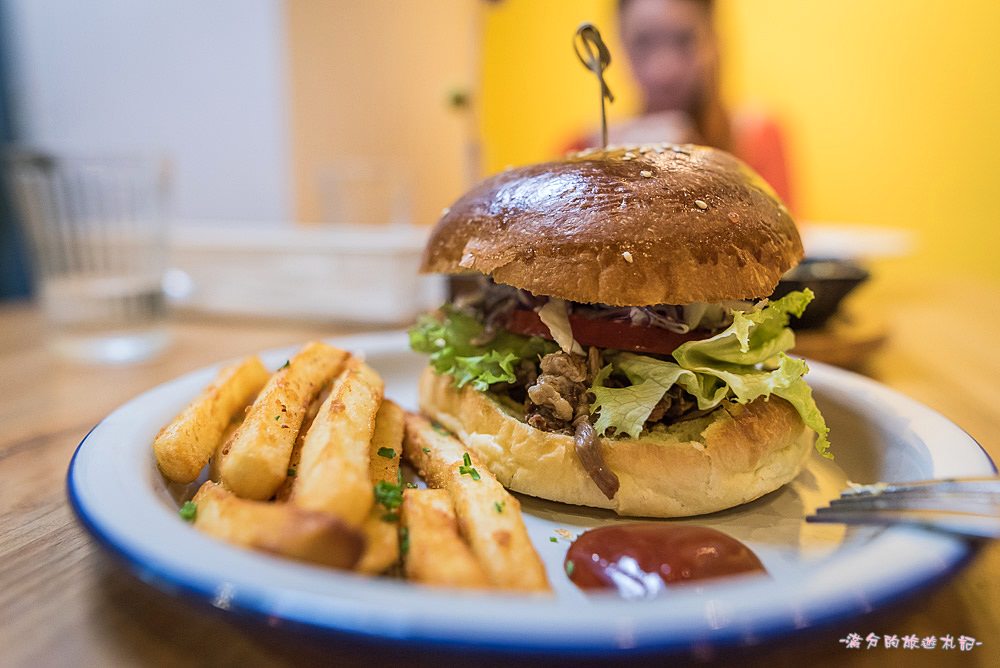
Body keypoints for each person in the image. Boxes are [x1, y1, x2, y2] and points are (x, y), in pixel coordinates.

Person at [567, 0, 794, 208]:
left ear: (714, 39)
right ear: (619, 46)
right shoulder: (582, 151)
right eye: (643, 42)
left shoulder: (756, 138)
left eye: (684, 39)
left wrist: (698, 170)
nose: (665, 70)